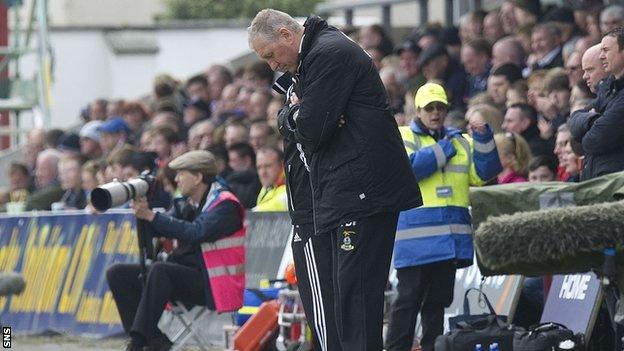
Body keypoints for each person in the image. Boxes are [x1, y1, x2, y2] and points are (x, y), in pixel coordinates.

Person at [248, 9, 422, 350]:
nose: (272, 66)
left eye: (270, 55)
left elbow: (311, 132)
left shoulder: (328, 54)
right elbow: (302, 124)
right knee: (350, 302)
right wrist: (292, 114)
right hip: (351, 194)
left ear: (286, 34)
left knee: (356, 303)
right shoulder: (315, 55)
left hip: (362, 195)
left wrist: (295, 116)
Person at [385, 83, 501, 351]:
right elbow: (407, 171)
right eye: (429, 108)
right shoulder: (403, 136)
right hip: (416, 242)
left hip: (449, 241)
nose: (435, 113)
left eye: (440, 108)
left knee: (437, 304)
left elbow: (485, 175)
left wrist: (483, 139)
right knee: (407, 303)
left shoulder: (461, 141)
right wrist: (443, 150)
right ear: (418, 111)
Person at [106, 150, 245, 351]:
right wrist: (144, 213)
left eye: (181, 174)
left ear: (198, 177)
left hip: (214, 283)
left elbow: (196, 232)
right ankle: (155, 341)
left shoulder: (225, 204)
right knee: (117, 273)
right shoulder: (187, 203)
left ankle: (137, 343)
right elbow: (161, 228)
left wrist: (152, 217)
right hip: (186, 275)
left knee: (160, 270)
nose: (176, 179)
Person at [569, 27, 624, 180]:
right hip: (598, 181)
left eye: (606, 50)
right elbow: (573, 120)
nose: (602, 56)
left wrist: (586, 126)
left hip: (615, 187)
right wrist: (593, 120)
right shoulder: (608, 87)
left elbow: (594, 140)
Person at [253, 147, 287, 211]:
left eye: (267, 166)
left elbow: (280, 202)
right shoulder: (266, 189)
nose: (263, 172)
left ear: (282, 165)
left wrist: (252, 213)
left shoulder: (289, 186)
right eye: (259, 167)